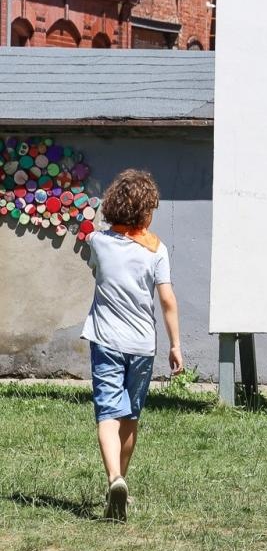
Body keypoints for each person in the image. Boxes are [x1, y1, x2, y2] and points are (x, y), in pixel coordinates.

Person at [80, 169, 183, 522]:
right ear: (145, 212)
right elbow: (167, 300)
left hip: (106, 340)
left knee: (107, 413)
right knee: (130, 416)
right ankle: (120, 482)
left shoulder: (97, 242)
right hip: (142, 345)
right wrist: (176, 346)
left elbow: (96, 270)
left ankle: (114, 479)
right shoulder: (157, 250)